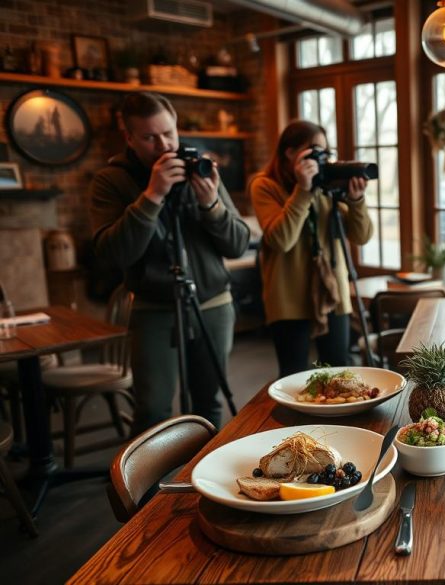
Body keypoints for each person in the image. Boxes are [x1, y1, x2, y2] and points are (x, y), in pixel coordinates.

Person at [89, 91, 250, 434]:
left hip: (212, 304)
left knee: (209, 402)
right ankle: (148, 488)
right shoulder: (111, 181)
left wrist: (211, 206)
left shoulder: (199, 168)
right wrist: (152, 197)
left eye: (168, 134)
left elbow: (238, 244)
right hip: (154, 308)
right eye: (149, 137)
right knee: (153, 409)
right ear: (129, 138)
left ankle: (203, 483)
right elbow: (112, 254)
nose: (163, 145)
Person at [249, 120, 373, 377]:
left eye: (325, 152)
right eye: (314, 151)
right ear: (290, 152)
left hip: (332, 292)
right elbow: (281, 239)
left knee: (341, 370)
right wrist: (302, 191)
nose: (321, 159)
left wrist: (357, 200)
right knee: (294, 375)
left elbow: (361, 236)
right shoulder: (264, 185)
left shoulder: (326, 183)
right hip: (288, 296)